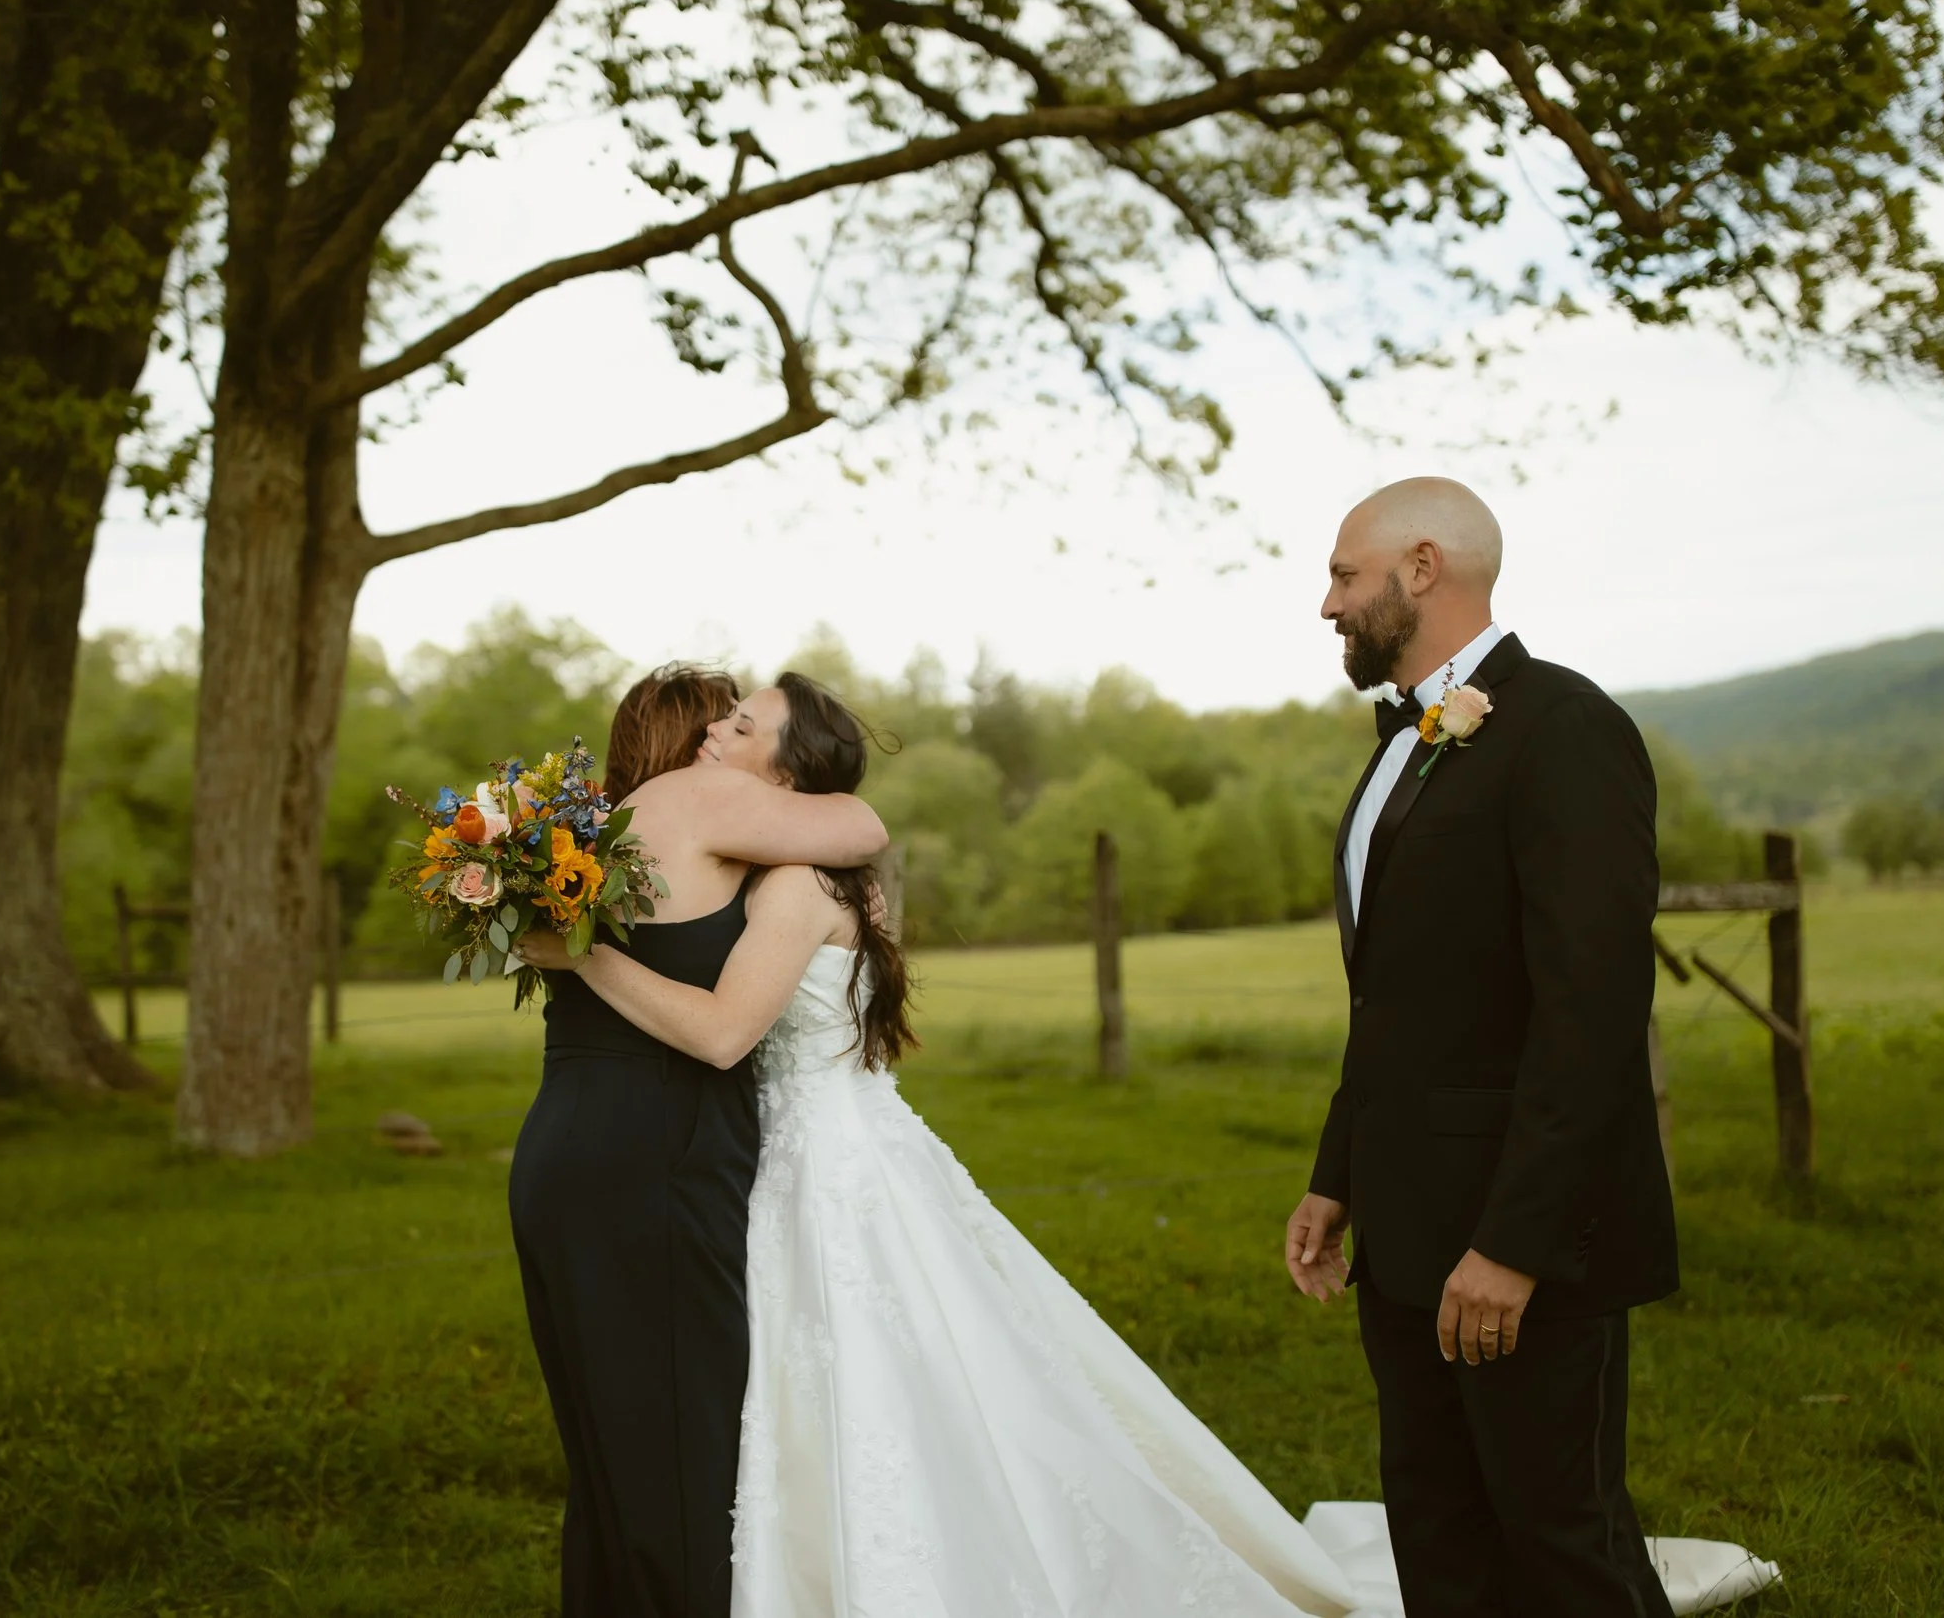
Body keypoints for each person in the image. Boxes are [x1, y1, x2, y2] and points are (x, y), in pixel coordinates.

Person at [519, 673, 1363, 1618]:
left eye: (742, 726)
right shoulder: (802, 875)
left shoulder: (792, 884)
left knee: (862, 1376)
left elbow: (724, 1032)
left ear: (786, 779)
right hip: (815, 1148)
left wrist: (583, 949)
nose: (716, 735)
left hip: (819, 1165)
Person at [1285, 476, 1683, 1616]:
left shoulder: (1566, 728)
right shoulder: (1402, 743)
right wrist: (1338, 1172)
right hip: (1406, 1225)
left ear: (1423, 567)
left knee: (1561, 1543)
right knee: (1437, 1531)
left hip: (1517, 1231)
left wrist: (1516, 1241)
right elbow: (1396, 999)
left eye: (1344, 575)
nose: (1327, 603)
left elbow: (1591, 1009)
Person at [507, 663, 890, 1618]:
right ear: (692, 740)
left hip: (561, 1147)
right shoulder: (702, 797)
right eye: (723, 722)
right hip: (657, 1155)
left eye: (742, 726)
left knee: (606, 1461)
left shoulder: (591, 836)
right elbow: (863, 826)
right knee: (681, 1458)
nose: (724, 738)